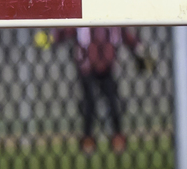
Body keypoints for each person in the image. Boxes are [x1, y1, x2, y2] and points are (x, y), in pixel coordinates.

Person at [51, 25, 148, 153]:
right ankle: (88, 139)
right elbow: (66, 32)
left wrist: (140, 51)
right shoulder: (83, 23)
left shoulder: (112, 24)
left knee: (113, 102)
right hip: (86, 67)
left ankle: (117, 138)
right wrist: (51, 39)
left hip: (106, 68)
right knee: (89, 103)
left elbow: (128, 37)